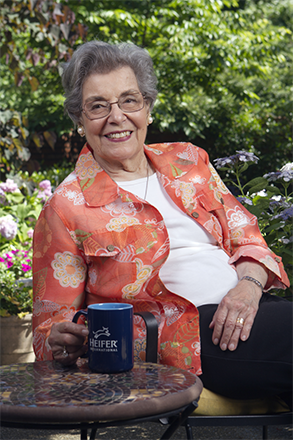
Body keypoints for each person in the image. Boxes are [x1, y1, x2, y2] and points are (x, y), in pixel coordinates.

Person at [33, 40, 292, 408]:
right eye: (97, 106)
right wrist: (61, 339)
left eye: (129, 100)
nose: (117, 116)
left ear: (148, 107)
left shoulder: (189, 161)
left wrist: (248, 287)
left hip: (253, 311)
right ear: (79, 121)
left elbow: (250, 242)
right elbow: (48, 331)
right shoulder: (66, 207)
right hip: (184, 342)